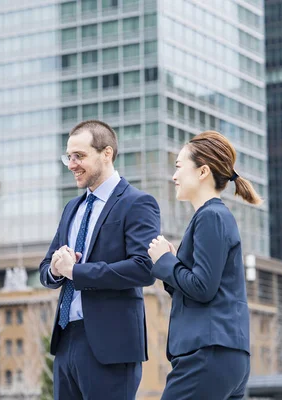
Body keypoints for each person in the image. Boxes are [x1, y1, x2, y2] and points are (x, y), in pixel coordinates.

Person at [40, 120, 161, 400]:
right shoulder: (73, 207)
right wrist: (57, 270)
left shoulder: (137, 203)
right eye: (68, 157)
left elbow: (145, 268)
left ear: (106, 153)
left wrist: (77, 272)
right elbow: (45, 269)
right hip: (65, 341)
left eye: (79, 156)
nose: (71, 164)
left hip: (111, 347)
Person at [148, 131, 257, 399]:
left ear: (202, 172)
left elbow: (202, 288)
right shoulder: (213, 217)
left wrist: (165, 261)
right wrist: (172, 265)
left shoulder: (211, 217)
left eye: (178, 167)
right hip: (224, 354)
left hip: (207, 355)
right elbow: (204, 286)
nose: (174, 176)